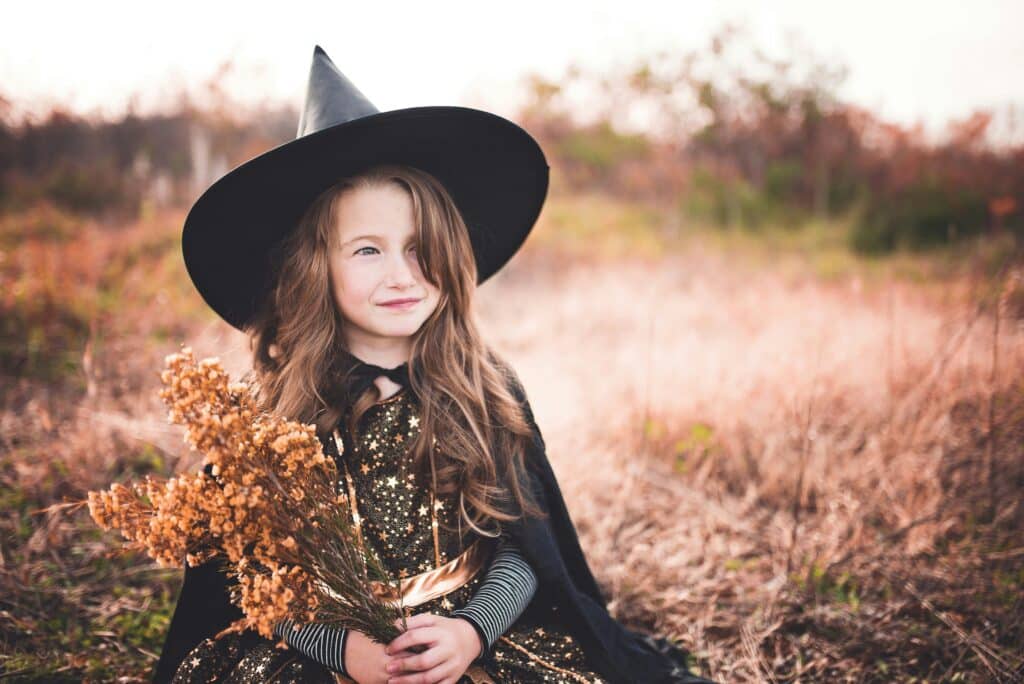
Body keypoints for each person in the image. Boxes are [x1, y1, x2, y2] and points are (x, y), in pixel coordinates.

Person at [153, 45, 715, 684]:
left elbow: (523, 550)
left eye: (421, 248)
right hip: (321, 648)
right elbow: (252, 576)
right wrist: (344, 652)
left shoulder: (483, 386)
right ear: (315, 269)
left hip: (463, 633)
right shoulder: (273, 411)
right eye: (368, 250)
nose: (403, 275)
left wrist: (472, 632)